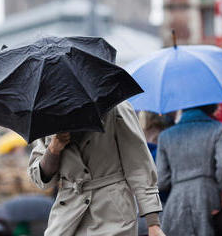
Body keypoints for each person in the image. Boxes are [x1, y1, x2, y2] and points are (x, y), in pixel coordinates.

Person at [28, 101, 165, 236]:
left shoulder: (116, 108)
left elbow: (139, 165)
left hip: (113, 214)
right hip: (68, 217)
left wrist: (152, 222)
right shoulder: (47, 115)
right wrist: (53, 149)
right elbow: (41, 180)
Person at [157, 104, 222, 236]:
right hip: (208, 200)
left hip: (176, 204)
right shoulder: (218, 129)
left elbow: (161, 181)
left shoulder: (165, 136)